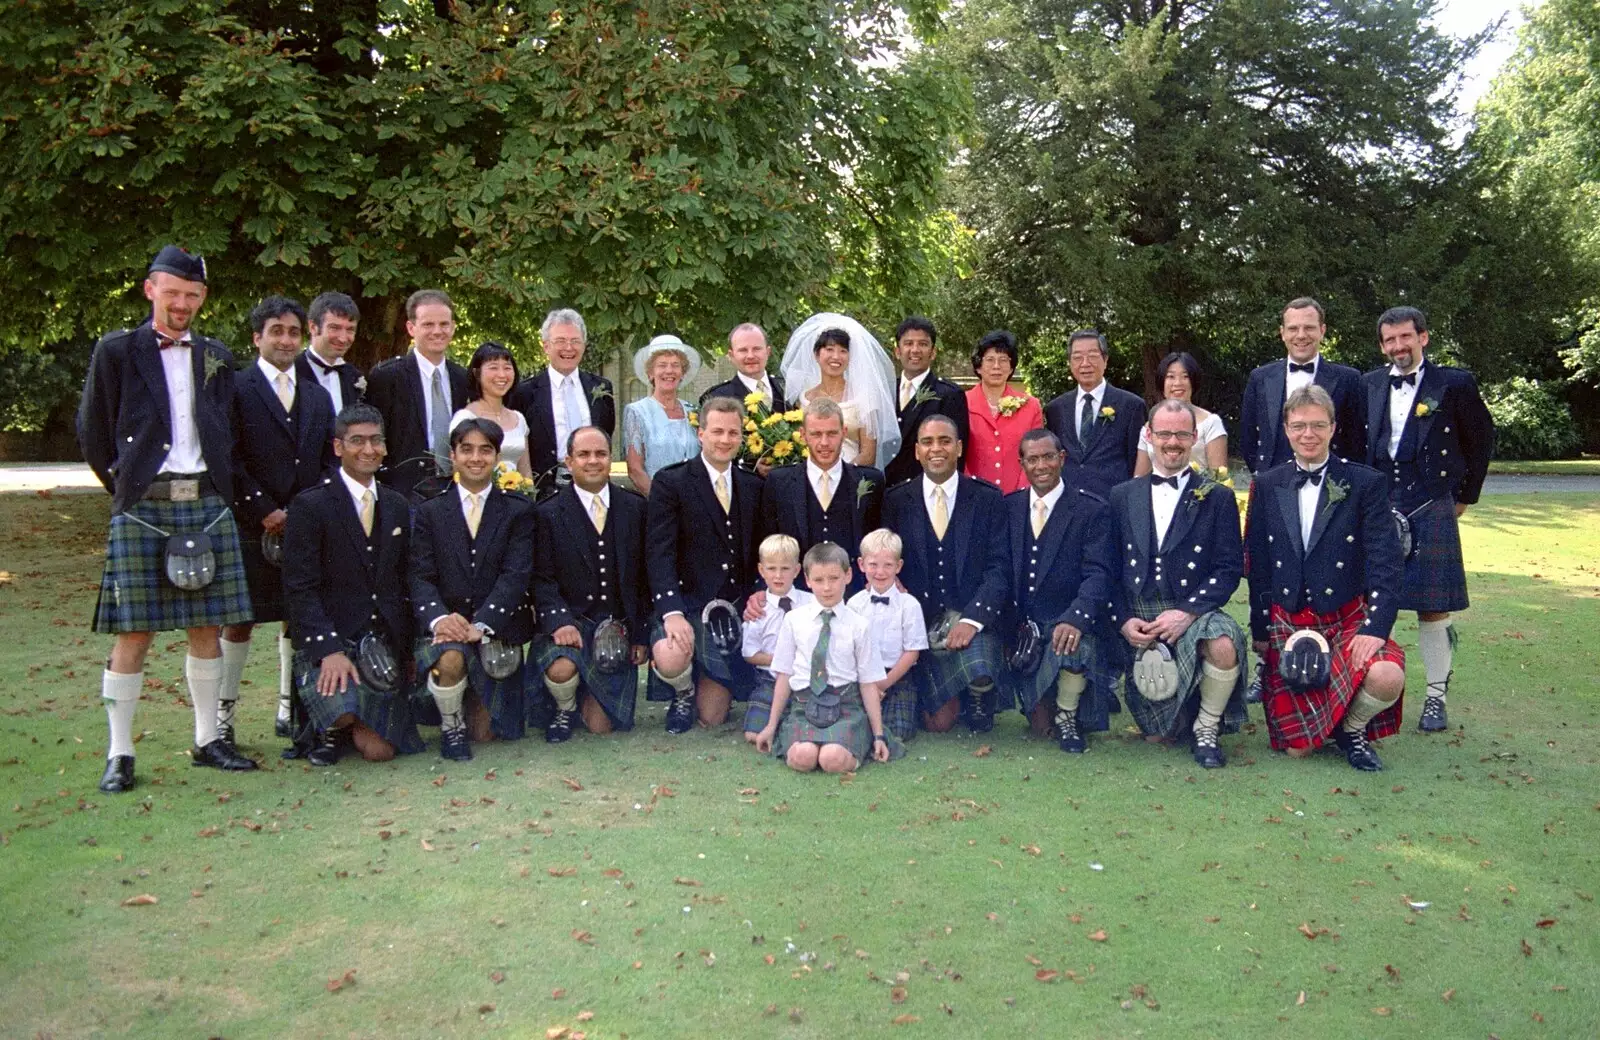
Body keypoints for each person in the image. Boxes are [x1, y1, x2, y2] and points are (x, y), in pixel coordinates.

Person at [77, 246, 258, 792]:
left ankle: (207, 740)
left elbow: (227, 431)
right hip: (144, 506)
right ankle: (120, 752)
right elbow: (92, 431)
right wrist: (129, 489)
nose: (182, 303)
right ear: (150, 289)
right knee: (133, 631)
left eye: (192, 295)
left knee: (207, 626)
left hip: (205, 499)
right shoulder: (115, 351)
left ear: (202, 298)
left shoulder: (217, 355)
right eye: (173, 292)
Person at [1247, 385, 1407, 770]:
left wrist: (1376, 628)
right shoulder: (1267, 485)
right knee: (1296, 749)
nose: (1308, 434)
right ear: (1286, 429)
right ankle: (1329, 722)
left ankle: (1351, 728)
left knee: (1387, 675)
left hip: (1346, 616)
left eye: (1318, 425)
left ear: (1333, 428)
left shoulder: (1364, 483)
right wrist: (1261, 632)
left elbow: (1386, 564)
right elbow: (1259, 566)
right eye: (1299, 425)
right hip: (1291, 620)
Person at [1362, 305, 1494, 733]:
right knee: (1369, 601)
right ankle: (1367, 691)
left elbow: (1482, 439)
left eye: (1405, 337)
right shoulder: (1369, 384)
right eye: (1390, 340)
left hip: (1431, 501)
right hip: (1380, 504)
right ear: (1382, 345)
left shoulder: (1453, 383)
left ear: (1423, 337)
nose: (1398, 346)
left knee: (1433, 609)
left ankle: (1435, 697)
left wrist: (1464, 497)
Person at [221, 295, 336, 749]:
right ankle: (223, 715)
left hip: (303, 526)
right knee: (240, 620)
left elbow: (331, 460)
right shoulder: (234, 389)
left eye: (293, 332)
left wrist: (303, 511)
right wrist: (262, 508)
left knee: (299, 617)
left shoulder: (317, 395)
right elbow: (226, 458)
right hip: (252, 524)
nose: (286, 340)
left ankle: (290, 707)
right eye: (276, 332)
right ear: (257, 338)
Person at [282, 404, 424, 766]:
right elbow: (299, 588)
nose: (368, 449)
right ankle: (329, 724)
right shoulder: (310, 505)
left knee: (380, 751)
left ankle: (345, 720)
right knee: (344, 711)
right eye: (357, 440)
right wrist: (328, 649)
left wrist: (405, 651)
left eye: (376, 441)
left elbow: (404, 582)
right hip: (334, 641)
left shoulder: (396, 505)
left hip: (382, 647)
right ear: (338, 447)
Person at [1108, 400, 1248, 768]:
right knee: (1158, 735)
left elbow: (1229, 568)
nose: (1173, 442)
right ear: (1149, 436)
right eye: (1165, 433)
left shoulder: (1217, 496)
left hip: (1191, 609)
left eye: (1181, 434)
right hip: (1140, 616)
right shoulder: (1122, 495)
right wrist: (1123, 620)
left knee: (1222, 642)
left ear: (1194, 437)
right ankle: (1184, 710)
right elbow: (1106, 569)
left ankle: (1207, 726)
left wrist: (1186, 613)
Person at [409, 419, 537, 760]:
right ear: (453, 455)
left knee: (486, 734)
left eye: (485, 450)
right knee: (450, 658)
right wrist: (439, 620)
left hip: (497, 629)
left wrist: (480, 624)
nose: (476, 458)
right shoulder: (429, 510)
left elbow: (516, 575)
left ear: (496, 457)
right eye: (466, 449)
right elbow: (420, 576)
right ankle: (451, 727)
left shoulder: (518, 511)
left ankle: (467, 705)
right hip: (448, 625)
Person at [647, 396, 766, 733]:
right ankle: (682, 689)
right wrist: (671, 611)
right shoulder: (671, 483)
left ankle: (710, 678)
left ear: (742, 436)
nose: (725, 440)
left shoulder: (754, 486)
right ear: (700, 433)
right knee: (671, 654)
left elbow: (763, 551)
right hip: (689, 605)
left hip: (736, 610)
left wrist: (759, 593)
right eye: (717, 431)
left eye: (733, 433)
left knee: (712, 716)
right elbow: (659, 553)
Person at [881, 414, 1007, 734]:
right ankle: (955, 692)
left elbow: (999, 568)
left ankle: (980, 691)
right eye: (927, 442)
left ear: (959, 447)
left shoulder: (987, 498)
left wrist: (973, 619)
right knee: (937, 724)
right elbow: (884, 558)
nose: (936, 448)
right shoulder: (895, 500)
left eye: (945, 441)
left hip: (967, 619)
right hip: (918, 626)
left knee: (978, 668)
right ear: (917, 451)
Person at [996, 429, 1115, 752]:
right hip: (1023, 631)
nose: (1041, 465)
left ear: (1062, 458)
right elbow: (1000, 571)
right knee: (1038, 725)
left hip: (1065, 622)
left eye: (1048, 456)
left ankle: (1069, 713)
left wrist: (1076, 618)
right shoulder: (1007, 508)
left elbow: (1098, 574)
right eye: (1032, 459)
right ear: (1021, 464)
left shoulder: (1091, 509)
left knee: (1074, 646)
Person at [532, 426, 651, 741]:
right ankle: (563, 705)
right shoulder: (547, 513)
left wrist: (639, 634)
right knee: (560, 669)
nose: (593, 461)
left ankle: (585, 698)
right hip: (572, 624)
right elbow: (541, 579)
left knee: (602, 726)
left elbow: (643, 579)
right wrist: (558, 621)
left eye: (600, 453)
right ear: (569, 462)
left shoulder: (635, 508)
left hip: (617, 628)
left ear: (610, 459)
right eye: (583, 454)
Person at [754, 542, 891, 772]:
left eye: (834, 578)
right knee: (802, 757)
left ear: (848, 575)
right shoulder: (794, 621)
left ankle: (852, 744)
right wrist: (770, 726)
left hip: (846, 704)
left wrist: (878, 734)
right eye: (818, 580)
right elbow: (784, 674)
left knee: (832, 759)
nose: (827, 587)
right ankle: (810, 744)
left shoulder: (859, 626)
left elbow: (868, 683)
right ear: (806, 580)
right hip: (805, 704)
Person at [757, 398, 883, 594]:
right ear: (803, 435)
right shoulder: (778, 482)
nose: (824, 443)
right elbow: (765, 542)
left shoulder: (871, 481)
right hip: (797, 597)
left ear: (843, 432)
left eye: (832, 433)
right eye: (816, 434)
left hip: (856, 596)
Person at [1240, 297, 1367, 473]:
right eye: (1293, 328)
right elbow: (1248, 439)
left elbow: (1356, 442)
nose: (1301, 335)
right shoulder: (1259, 378)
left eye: (1309, 328)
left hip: (1331, 486)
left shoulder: (1349, 379)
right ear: (1282, 333)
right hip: (1272, 487)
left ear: (1322, 331)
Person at [364, 289, 470, 499]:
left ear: (453, 328)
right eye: (428, 324)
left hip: (455, 489)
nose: (437, 331)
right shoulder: (387, 376)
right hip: (402, 492)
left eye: (444, 324)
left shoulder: (462, 377)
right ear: (411, 328)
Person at [508, 308, 617, 485]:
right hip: (545, 489)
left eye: (575, 341)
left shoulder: (602, 388)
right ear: (546, 346)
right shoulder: (525, 392)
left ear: (584, 345)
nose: (568, 348)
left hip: (595, 484)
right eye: (560, 341)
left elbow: (606, 432)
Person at [779, 313, 899, 470]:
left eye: (843, 351)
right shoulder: (804, 398)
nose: (836, 357)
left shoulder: (864, 398)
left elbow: (868, 454)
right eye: (829, 349)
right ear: (816, 354)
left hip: (850, 478)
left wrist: (838, 476)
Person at [1043, 329, 1144, 499]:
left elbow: (1136, 460)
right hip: (1068, 502)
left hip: (1112, 502)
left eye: (1092, 356)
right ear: (1069, 363)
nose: (1085, 363)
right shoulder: (1056, 408)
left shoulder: (1131, 405)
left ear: (1105, 360)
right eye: (1077, 357)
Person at [846, 529, 925, 745]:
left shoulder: (909, 605)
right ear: (861, 565)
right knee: (852, 724)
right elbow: (848, 648)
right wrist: (869, 684)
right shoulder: (854, 604)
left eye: (888, 565)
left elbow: (912, 652)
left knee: (898, 732)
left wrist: (883, 685)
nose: (880, 572)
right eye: (873, 565)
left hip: (896, 678)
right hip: (862, 678)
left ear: (898, 566)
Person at [741, 534, 814, 742]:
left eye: (785, 568)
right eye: (772, 569)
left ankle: (790, 724)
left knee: (810, 726)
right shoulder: (757, 610)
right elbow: (749, 654)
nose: (778, 575)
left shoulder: (810, 602)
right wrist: (782, 659)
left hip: (804, 678)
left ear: (797, 570)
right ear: (762, 570)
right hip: (769, 680)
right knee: (752, 735)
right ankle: (778, 723)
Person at [884, 317, 968, 487]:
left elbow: (956, 454)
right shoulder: (885, 390)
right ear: (897, 351)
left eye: (922, 344)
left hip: (926, 492)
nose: (915, 350)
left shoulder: (948, 394)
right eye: (908, 343)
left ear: (933, 352)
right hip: (885, 494)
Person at [963, 329, 1044, 492]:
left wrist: (1021, 492)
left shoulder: (1030, 405)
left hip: (1018, 497)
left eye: (1003, 360)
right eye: (990, 360)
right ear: (978, 367)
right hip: (973, 496)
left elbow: (1035, 453)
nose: (996, 367)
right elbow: (956, 454)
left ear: (1011, 366)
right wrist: (970, 489)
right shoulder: (962, 402)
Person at [624, 334, 703, 495]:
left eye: (675, 365)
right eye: (662, 365)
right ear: (651, 373)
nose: (669, 371)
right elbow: (635, 469)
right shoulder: (637, 412)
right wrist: (663, 503)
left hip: (696, 502)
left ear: (683, 372)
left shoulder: (694, 411)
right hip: (658, 504)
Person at [1132, 352, 1229, 475]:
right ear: (1162, 382)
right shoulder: (1148, 427)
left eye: (1185, 376)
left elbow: (1220, 477)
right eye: (1171, 377)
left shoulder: (1211, 423)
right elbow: (1139, 477)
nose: (1178, 383)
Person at [451, 341, 532, 477]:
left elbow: (526, 471)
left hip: (517, 496)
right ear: (477, 373)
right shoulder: (465, 418)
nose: (501, 375)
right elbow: (459, 472)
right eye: (493, 368)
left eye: (507, 368)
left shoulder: (519, 418)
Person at [296, 292, 365, 414]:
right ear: (313, 327)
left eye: (350, 329)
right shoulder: (291, 372)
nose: (343, 338)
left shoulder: (354, 376)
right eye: (334, 328)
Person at [700, 323, 786, 412]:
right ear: (731, 355)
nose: (750, 356)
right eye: (743, 350)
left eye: (756, 349)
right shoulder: (716, 398)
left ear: (768, 352)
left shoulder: (787, 390)